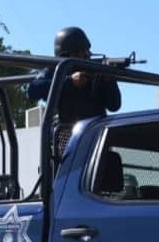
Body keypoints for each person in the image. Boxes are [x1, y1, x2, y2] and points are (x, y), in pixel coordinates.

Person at [27, 26, 121, 158]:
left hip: (96, 135)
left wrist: (109, 82)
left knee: (112, 160)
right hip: (70, 137)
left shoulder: (95, 70)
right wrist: (70, 82)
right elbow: (32, 90)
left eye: (87, 51)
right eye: (81, 51)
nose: (87, 55)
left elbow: (114, 105)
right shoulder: (56, 70)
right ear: (66, 54)